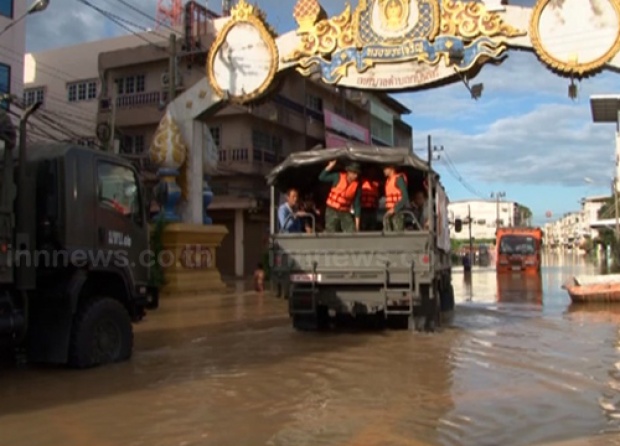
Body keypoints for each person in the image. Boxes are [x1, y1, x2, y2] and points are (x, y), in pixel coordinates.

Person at [319, 160, 362, 232]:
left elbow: (357, 205)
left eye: (357, 173)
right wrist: (330, 166)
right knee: (330, 231)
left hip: (344, 211)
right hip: (331, 210)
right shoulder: (337, 177)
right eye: (354, 173)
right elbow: (322, 177)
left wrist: (357, 224)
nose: (356, 176)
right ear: (348, 172)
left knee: (351, 231)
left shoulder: (357, 186)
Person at [383, 165, 409, 231]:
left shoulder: (398, 179)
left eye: (386, 168)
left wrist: (395, 209)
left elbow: (405, 197)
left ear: (392, 168)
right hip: (389, 212)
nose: (384, 170)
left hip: (398, 212)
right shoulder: (388, 181)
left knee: (397, 234)